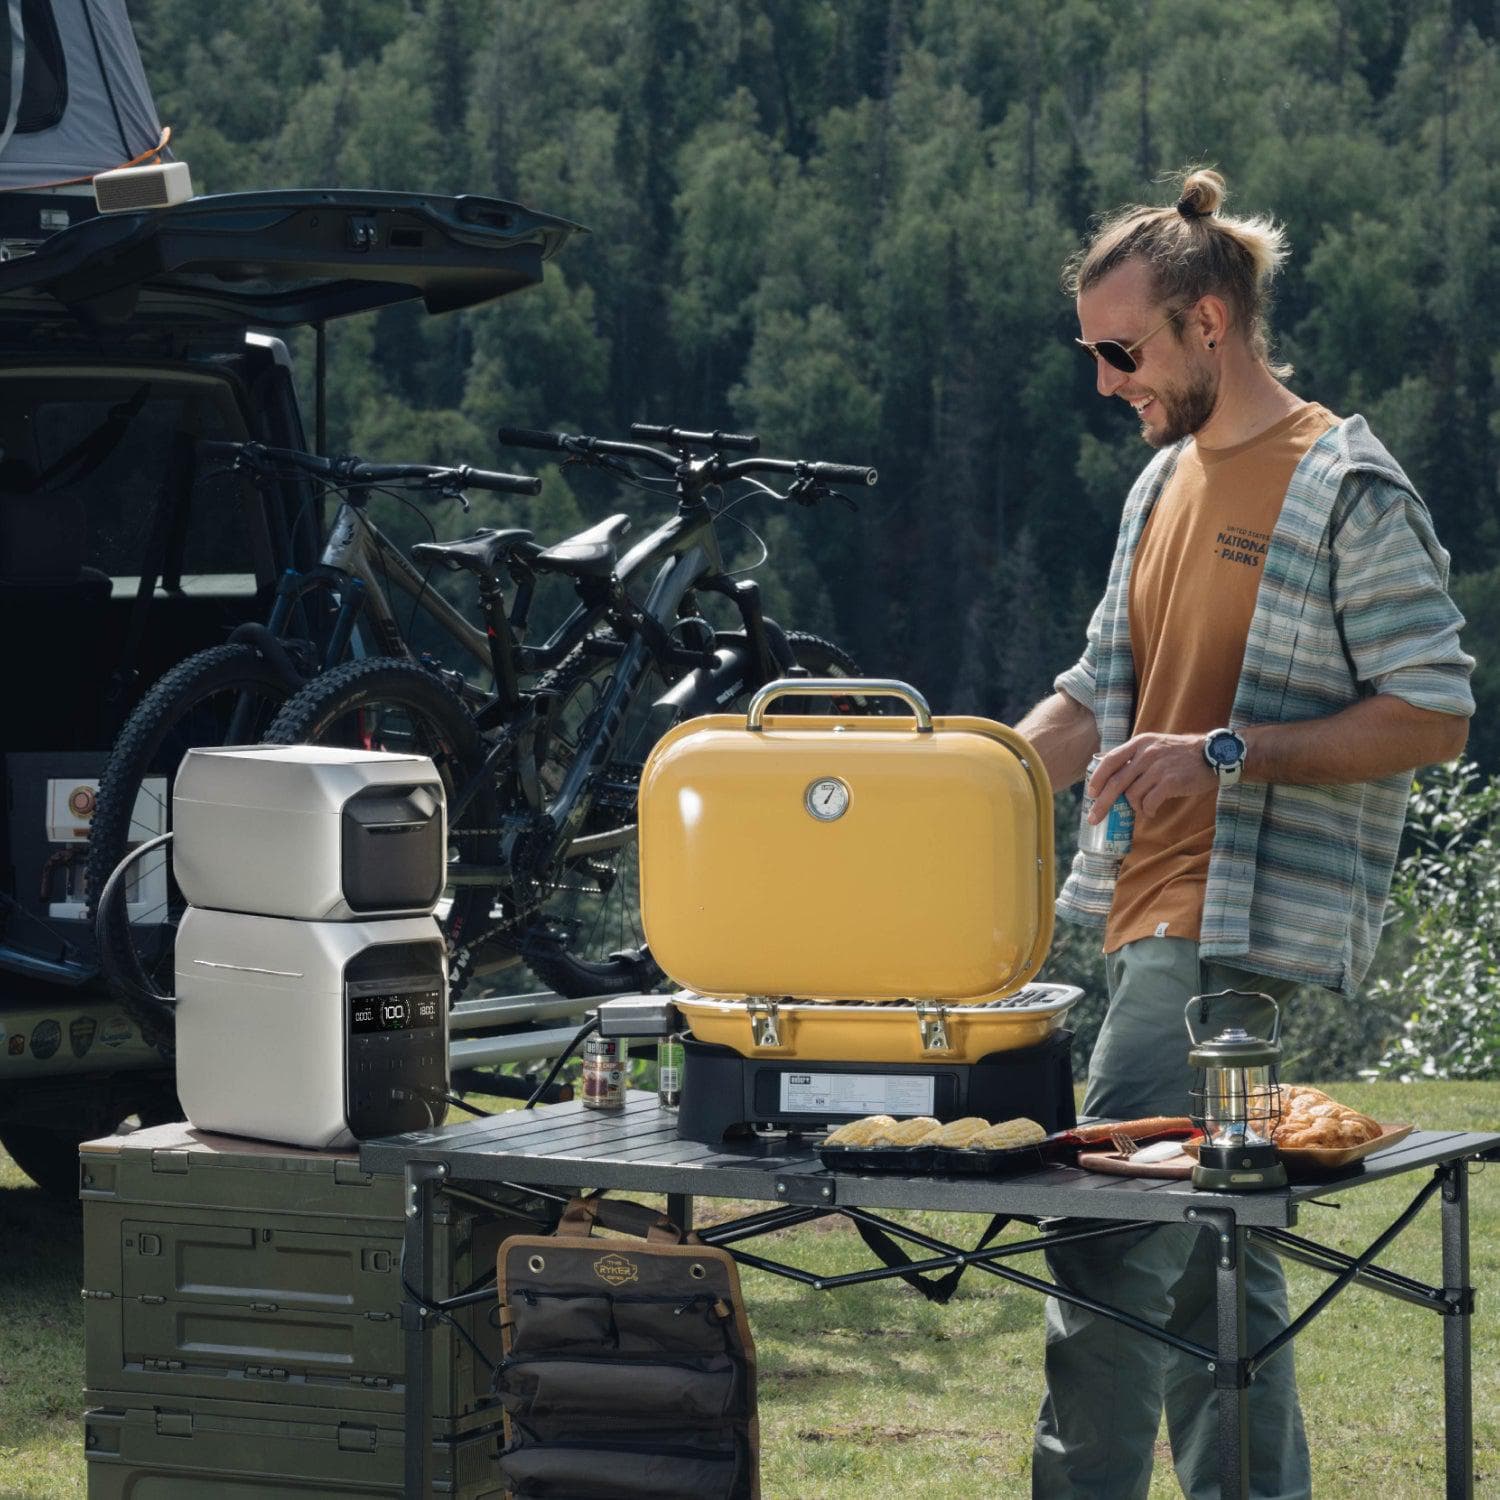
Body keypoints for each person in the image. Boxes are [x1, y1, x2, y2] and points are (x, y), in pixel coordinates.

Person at [1017, 167, 1474, 1500]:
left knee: (1102, 1242)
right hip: (1145, 917)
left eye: (1124, 351)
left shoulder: (1346, 485)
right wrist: (956, 776)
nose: (1107, 380)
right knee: (1224, 1257)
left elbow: (1433, 711)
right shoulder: (1160, 488)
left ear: (1208, 323)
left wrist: (1220, 754)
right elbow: (1098, 694)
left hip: (1232, 937)